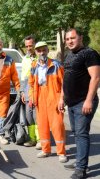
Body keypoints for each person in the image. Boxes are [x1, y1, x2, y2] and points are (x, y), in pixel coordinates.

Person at [62, 28, 100, 179]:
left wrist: (89, 100)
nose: (70, 41)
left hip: (83, 102)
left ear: (80, 37)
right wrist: (62, 98)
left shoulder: (89, 53)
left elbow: (96, 78)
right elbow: (66, 79)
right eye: (67, 39)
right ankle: (80, 161)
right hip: (71, 103)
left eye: (73, 38)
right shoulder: (69, 55)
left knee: (81, 134)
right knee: (77, 134)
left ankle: (81, 169)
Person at [28, 41, 67, 163]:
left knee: (57, 125)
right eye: (39, 50)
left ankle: (61, 152)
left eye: (44, 50)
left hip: (53, 96)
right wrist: (32, 97)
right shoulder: (34, 65)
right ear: (36, 52)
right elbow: (31, 84)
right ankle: (46, 150)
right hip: (40, 96)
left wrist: (62, 99)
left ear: (48, 50)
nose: (42, 52)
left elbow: (64, 84)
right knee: (42, 125)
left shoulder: (56, 65)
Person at [20, 35, 41, 149]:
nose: (29, 48)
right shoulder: (25, 59)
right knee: (29, 116)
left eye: (31, 45)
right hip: (28, 88)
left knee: (37, 115)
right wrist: (22, 91)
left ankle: (40, 140)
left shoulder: (40, 56)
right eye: (27, 46)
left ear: (34, 44)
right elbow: (23, 76)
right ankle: (32, 138)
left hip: (39, 89)